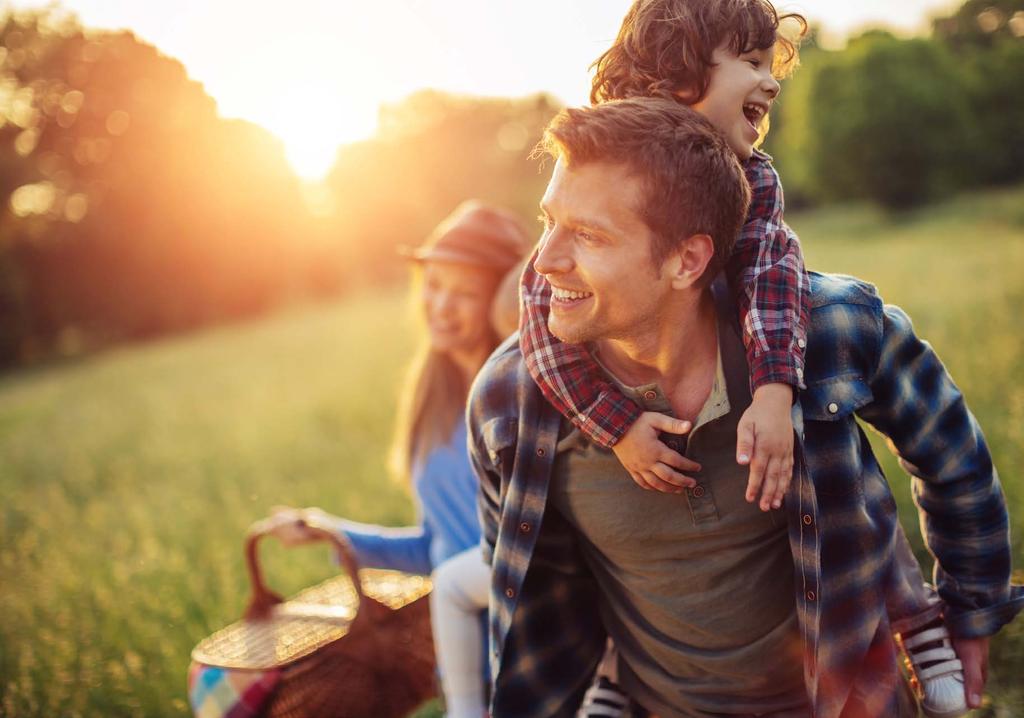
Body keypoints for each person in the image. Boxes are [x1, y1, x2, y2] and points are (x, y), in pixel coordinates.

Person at [468, 98, 1023, 717]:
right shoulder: (508, 402)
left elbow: (952, 457)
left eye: (590, 235)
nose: (544, 260)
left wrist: (973, 611)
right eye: (549, 221)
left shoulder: (832, 328)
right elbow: (525, 584)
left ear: (688, 260)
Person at [260, 200, 531, 718]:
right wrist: (332, 532)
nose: (442, 306)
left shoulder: (516, 397)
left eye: (464, 293)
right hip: (462, 659)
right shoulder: (432, 401)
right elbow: (439, 546)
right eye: (434, 286)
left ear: (499, 299)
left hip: (525, 649)